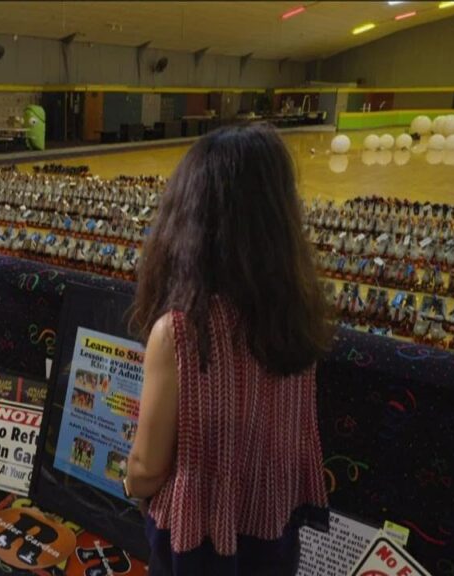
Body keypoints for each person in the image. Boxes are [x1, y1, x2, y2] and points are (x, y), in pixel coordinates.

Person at [124, 123, 331, 574]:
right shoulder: (299, 317)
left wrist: (127, 480)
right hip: (273, 534)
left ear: (191, 216)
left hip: (197, 546)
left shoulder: (180, 332)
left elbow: (147, 468)